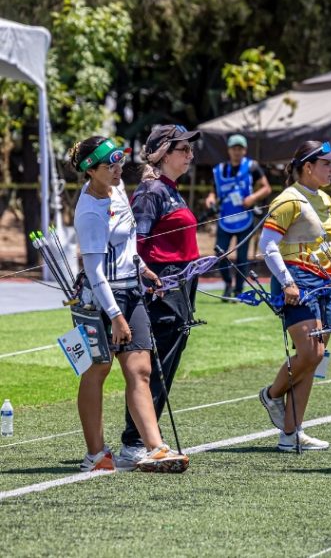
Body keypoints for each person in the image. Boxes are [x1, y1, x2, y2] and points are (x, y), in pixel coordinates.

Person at [68, 136, 188, 473]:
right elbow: (94, 271)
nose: (118, 169)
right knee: (98, 370)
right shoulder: (90, 210)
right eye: (110, 164)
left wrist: (141, 266)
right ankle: (96, 454)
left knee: (140, 369)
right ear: (90, 170)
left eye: (120, 161)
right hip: (101, 299)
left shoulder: (117, 189)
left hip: (130, 289)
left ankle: (155, 447)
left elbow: (129, 239)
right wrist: (116, 316)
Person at [119, 124, 202, 467]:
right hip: (161, 286)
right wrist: (151, 279)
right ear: (165, 153)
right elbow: (135, 244)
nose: (190, 155)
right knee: (154, 365)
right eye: (183, 149)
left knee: (166, 362)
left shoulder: (171, 189)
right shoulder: (151, 191)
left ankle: (145, 435)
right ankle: (135, 440)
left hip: (180, 283)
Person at [256, 140, 331, 452]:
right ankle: (271, 394)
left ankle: (291, 433)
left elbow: (328, 246)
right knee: (310, 353)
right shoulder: (288, 200)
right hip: (297, 280)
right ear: (308, 167)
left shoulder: (325, 199)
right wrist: (288, 282)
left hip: (324, 283)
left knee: (315, 360)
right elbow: (266, 245)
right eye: (327, 164)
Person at [205, 134, 272, 299]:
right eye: (234, 148)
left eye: (240, 148)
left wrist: (253, 198)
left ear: (245, 150)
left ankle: (239, 290)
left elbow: (266, 188)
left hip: (245, 219)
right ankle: (227, 285)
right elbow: (214, 192)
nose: (237, 151)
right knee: (219, 255)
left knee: (242, 258)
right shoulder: (219, 170)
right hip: (224, 218)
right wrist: (210, 199)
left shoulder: (252, 167)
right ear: (228, 150)